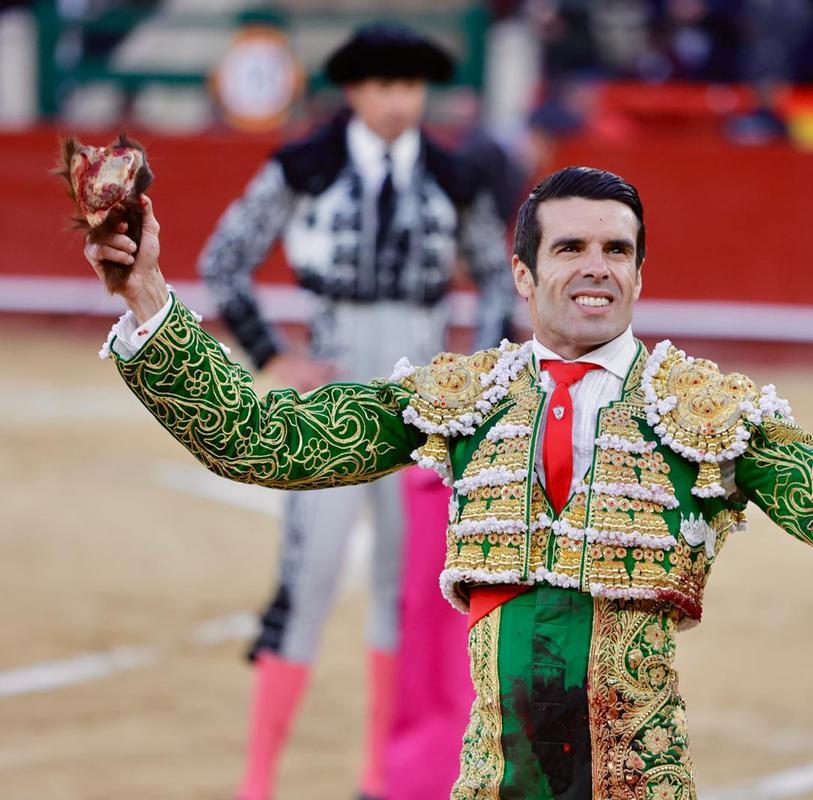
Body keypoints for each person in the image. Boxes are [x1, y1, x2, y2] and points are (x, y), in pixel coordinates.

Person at [87, 165, 813, 799]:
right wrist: (148, 304)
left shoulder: (708, 410)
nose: (596, 269)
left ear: (640, 272)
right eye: (571, 249)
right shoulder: (456, 398)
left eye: (617, 250)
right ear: (521, 270)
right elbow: (267, 442)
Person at [194, 23, 513, 800]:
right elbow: (222, 260)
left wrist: (483, 374)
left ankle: (384, 780)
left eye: (411, 86)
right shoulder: (304, 163)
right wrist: (274, 356)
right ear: (357, 90)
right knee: (307, 581)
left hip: (421, 407)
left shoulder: (455, 171)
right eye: (385, 85)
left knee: (406, 591)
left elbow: (502, 279)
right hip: (331, 402)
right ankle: (257, 783)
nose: (400, 100)